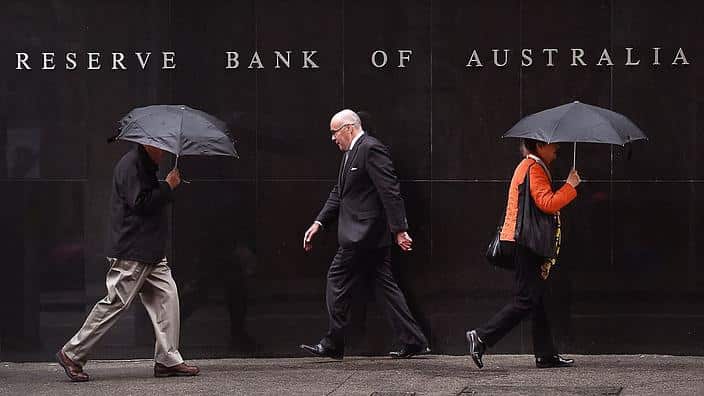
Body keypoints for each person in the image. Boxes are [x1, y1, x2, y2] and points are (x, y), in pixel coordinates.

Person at [56, 144, 200, 382]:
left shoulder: (144, 165)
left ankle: (168, 359)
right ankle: (72, 353)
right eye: (160, 147)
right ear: (147, 143)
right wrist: (168, 185)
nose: (163, 151)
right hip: (133, 249)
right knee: (116, 302)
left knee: (168, 296)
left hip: (150, 251)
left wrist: (164, 185)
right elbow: (141, 203)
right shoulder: (131, 165)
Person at [300, 109, 429, 360]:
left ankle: (334, 342)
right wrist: (319, 223)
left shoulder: (371, 149)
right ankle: (413, 340)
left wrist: (400, 230)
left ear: (349, 128)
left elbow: (389, 190)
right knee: (385, 286)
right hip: (367, 237)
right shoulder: (350, 153)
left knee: (336, 279)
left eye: (335, 132)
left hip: (363, 235)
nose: (333, 138)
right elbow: (340, 192)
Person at [467, 138, 581, 369]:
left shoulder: (528, 167)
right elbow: (547, 203)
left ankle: (545, 354)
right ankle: (481, 337)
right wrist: (570, 186)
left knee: (537, 298)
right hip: (525, 243)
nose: (556, 148)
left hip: (522, 241)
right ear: (539, 146)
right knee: (526, 299)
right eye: (552, 145)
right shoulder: (534, 168)